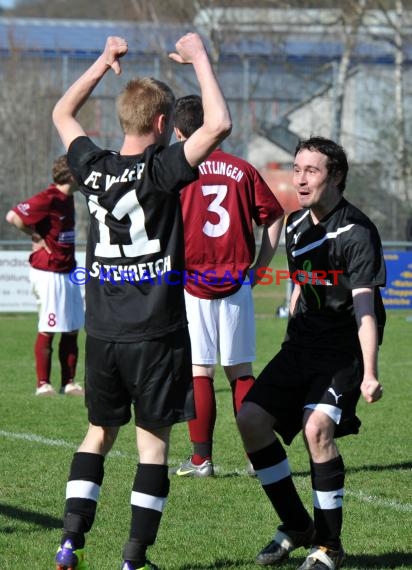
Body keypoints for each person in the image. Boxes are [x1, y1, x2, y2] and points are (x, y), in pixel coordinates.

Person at [51, 33, 231, 570]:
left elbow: (62, 111)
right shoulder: (160, 169)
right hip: (155, 333)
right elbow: (218, 124)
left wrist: (101, 62)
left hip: (103, 333)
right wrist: (200, 58)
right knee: (153, 446)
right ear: (160, 125)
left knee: (98, 433)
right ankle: (133, 559)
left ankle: (70, 541)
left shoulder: (93, 167)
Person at [236, 136, 386, 570]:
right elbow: (301, 285)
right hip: (301, 344)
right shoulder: (297, 225)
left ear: (336, 177)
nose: (300, 179)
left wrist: (370, 372)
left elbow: (364, 304)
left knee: (316, 429)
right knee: (250, 420)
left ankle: (330, 546)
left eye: (311, 171)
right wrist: (289, 339)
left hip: (342, 351)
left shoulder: (356, 232)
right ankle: (297, 526)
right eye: (297, 169)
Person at [172, 94, 284, 477]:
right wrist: (259, 269)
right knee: (240, 371)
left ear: (177, 130)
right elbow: (274, 217)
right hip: (236, 282)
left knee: (199, 370)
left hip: (190, 283)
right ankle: (258, 458)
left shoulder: (175, 169)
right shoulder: (242, 168)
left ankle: (202, 459)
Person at [6, 155, 84, 397]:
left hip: (68, 270)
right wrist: (36, 236)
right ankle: (43, 384)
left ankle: (68, 382)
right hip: (48, 271)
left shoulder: (68, 198)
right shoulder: (49, 197)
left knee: (71, 327)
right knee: (49, 327)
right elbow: (13, 216)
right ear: (70, 174)